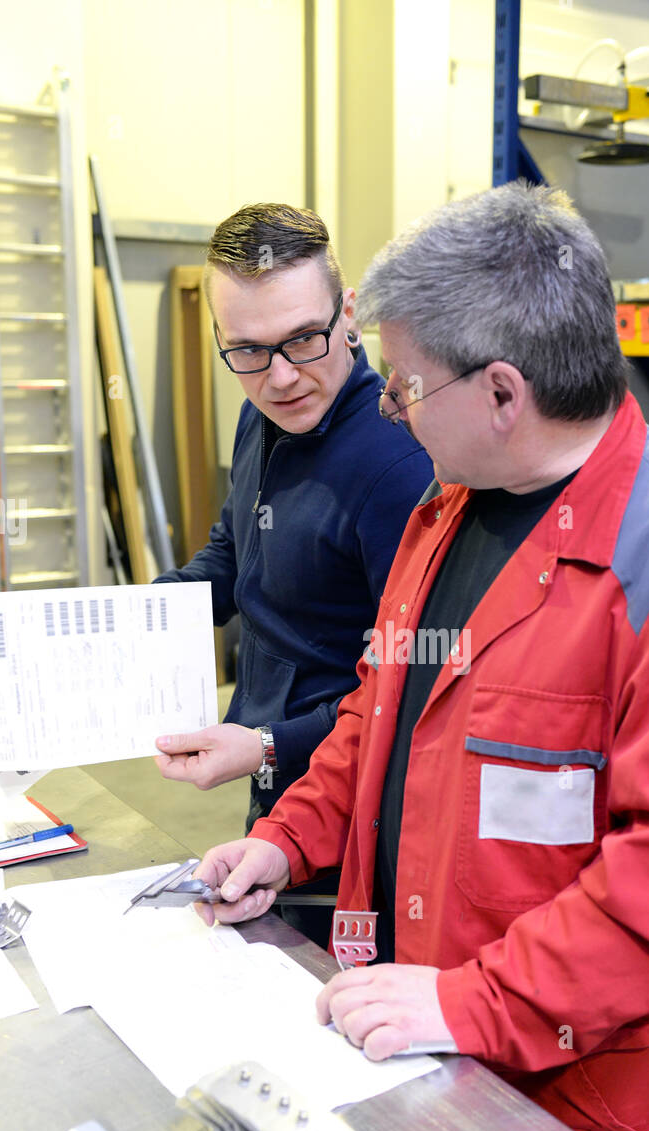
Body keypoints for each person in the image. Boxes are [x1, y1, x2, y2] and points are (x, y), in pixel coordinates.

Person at [192, 182, 649, 1131]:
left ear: (503, 393)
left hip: (580, 1078)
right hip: (423, 1016)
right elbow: (378, 714)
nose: (387, 407)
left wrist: (473, 1002)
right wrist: (288, 838)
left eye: (406, 386)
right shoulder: (448, 505)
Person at [152, 203, 433, 944]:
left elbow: (411, 687)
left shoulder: (401, 465)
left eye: (303, 339)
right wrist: (131, 620)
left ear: (349, 314)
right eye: (247, 350)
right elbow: (234, 553)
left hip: (358, 813)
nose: (280, 378)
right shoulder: (265, 415)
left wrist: (270, 744)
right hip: (272, 789)